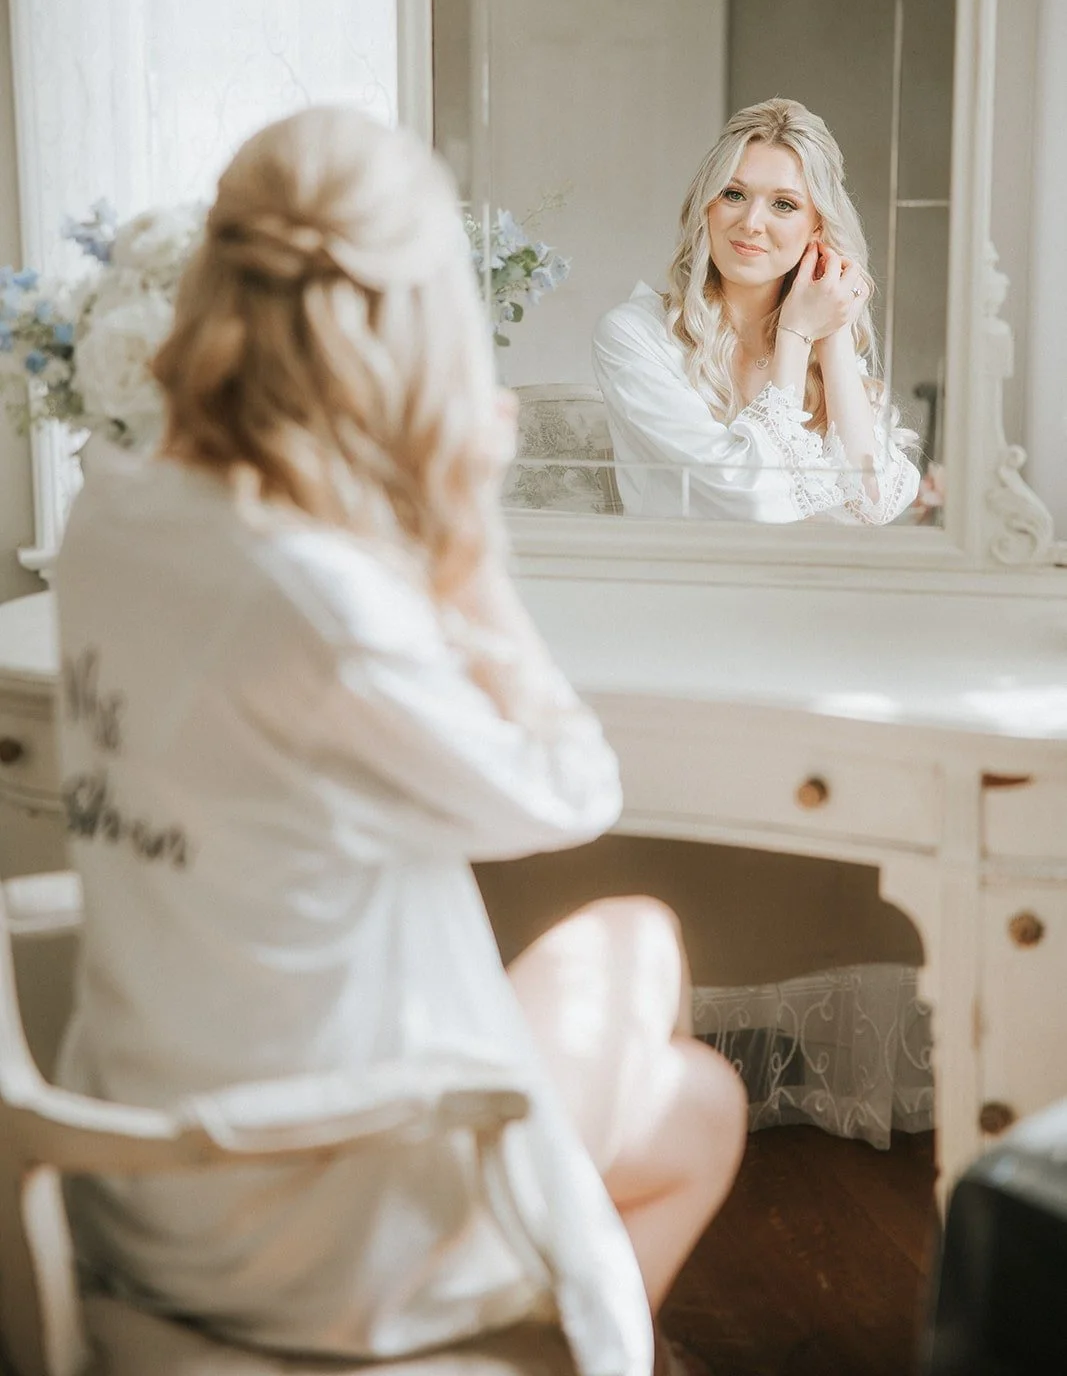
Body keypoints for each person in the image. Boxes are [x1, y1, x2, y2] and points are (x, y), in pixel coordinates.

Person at [53, 106, 746, 1376]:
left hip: (136, 1161)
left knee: (684, 1079)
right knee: (660, 995)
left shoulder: (112, 522)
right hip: (301, 1214)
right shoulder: (317, 596)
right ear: (414, 316)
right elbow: (569, 790)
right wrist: (467, 540)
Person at [592, 98, 921, 524]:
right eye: (734, 194)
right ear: (706, 205)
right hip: (682, 586)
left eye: (783, 204)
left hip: (806, 587)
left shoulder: (821, 342)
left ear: (816, 228)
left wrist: (832, 331)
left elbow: (876, 502)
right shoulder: (636, 336)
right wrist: (796, 336)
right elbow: (748, 500)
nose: (750, 221)